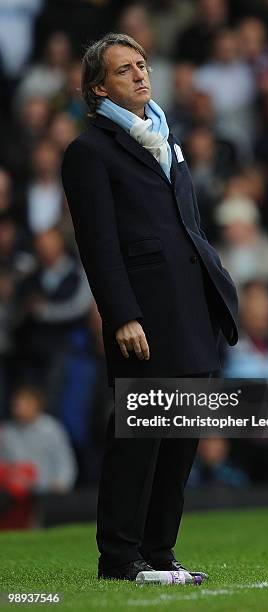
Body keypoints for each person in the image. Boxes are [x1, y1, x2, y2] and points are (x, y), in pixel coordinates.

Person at [61, 33, 238, 582]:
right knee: (138, 440)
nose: (140, 75)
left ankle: (159, 555)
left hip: (191, 309)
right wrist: (122, 314)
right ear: (98, 89)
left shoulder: (163, 138)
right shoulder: (89, 151)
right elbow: (98, 243)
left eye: (142, 65)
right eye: (123, 70)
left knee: (180, 442)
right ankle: (119, 557)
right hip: (144, 316)